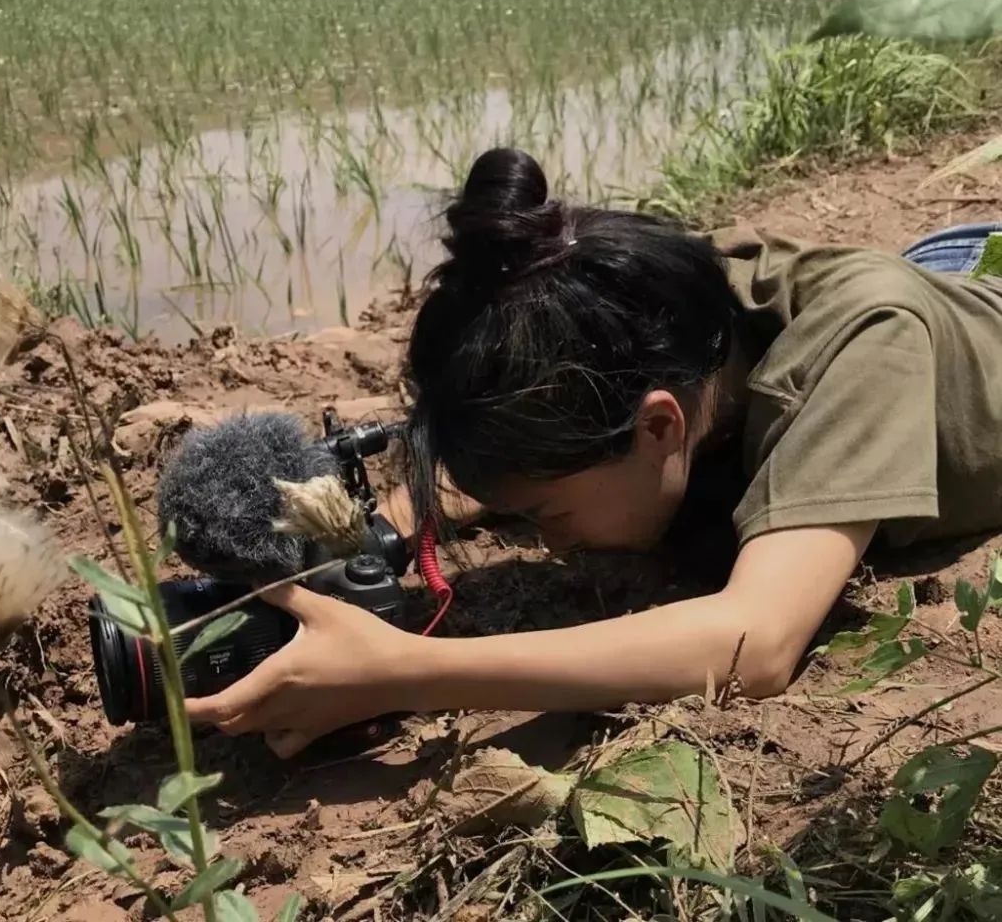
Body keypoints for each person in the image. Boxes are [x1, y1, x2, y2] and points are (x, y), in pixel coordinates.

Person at [186, 148, 1002, 759]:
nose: (546, 544)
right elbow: (518, 453)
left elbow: (755, 642)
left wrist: (402, 670)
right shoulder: (633, 309)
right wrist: (369, 548)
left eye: (550, 516)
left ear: (659, 429)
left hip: (961, 293)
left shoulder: (866, 348)